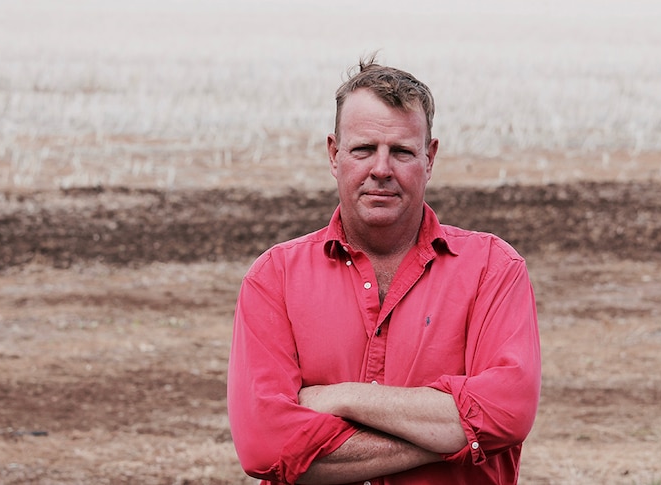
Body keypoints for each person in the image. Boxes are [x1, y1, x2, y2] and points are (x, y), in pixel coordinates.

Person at [227, 55, 542, 485]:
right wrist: (454, 434)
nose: (381, 169)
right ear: (334, 155)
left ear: (429, 158)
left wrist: (343, 399)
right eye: (363, 150)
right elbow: (266, 445)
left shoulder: (493, 269)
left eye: (401, 151)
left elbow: (508, 412)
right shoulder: (273, 278)